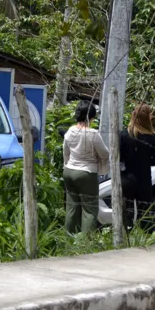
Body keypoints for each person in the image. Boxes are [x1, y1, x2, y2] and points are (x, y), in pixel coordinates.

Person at [62, 100, 110, 235]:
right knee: (89, 210)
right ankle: (86, 242)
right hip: (86, 173)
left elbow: (65, 152)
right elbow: (104, 154)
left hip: (69, 171)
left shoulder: (70, 131)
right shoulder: (93, 134)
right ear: (91, 117)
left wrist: (67, 165)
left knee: (72, 207)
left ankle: (69, 237)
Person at [120, 103, 155, 229]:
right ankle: (145, 235)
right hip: (143, 179)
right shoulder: (152, 138)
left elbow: (118, 157)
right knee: (145, 212)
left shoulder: (123, 134)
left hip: (126, 177)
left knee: (127, 211)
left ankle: (126, 233)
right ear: (147, 118)